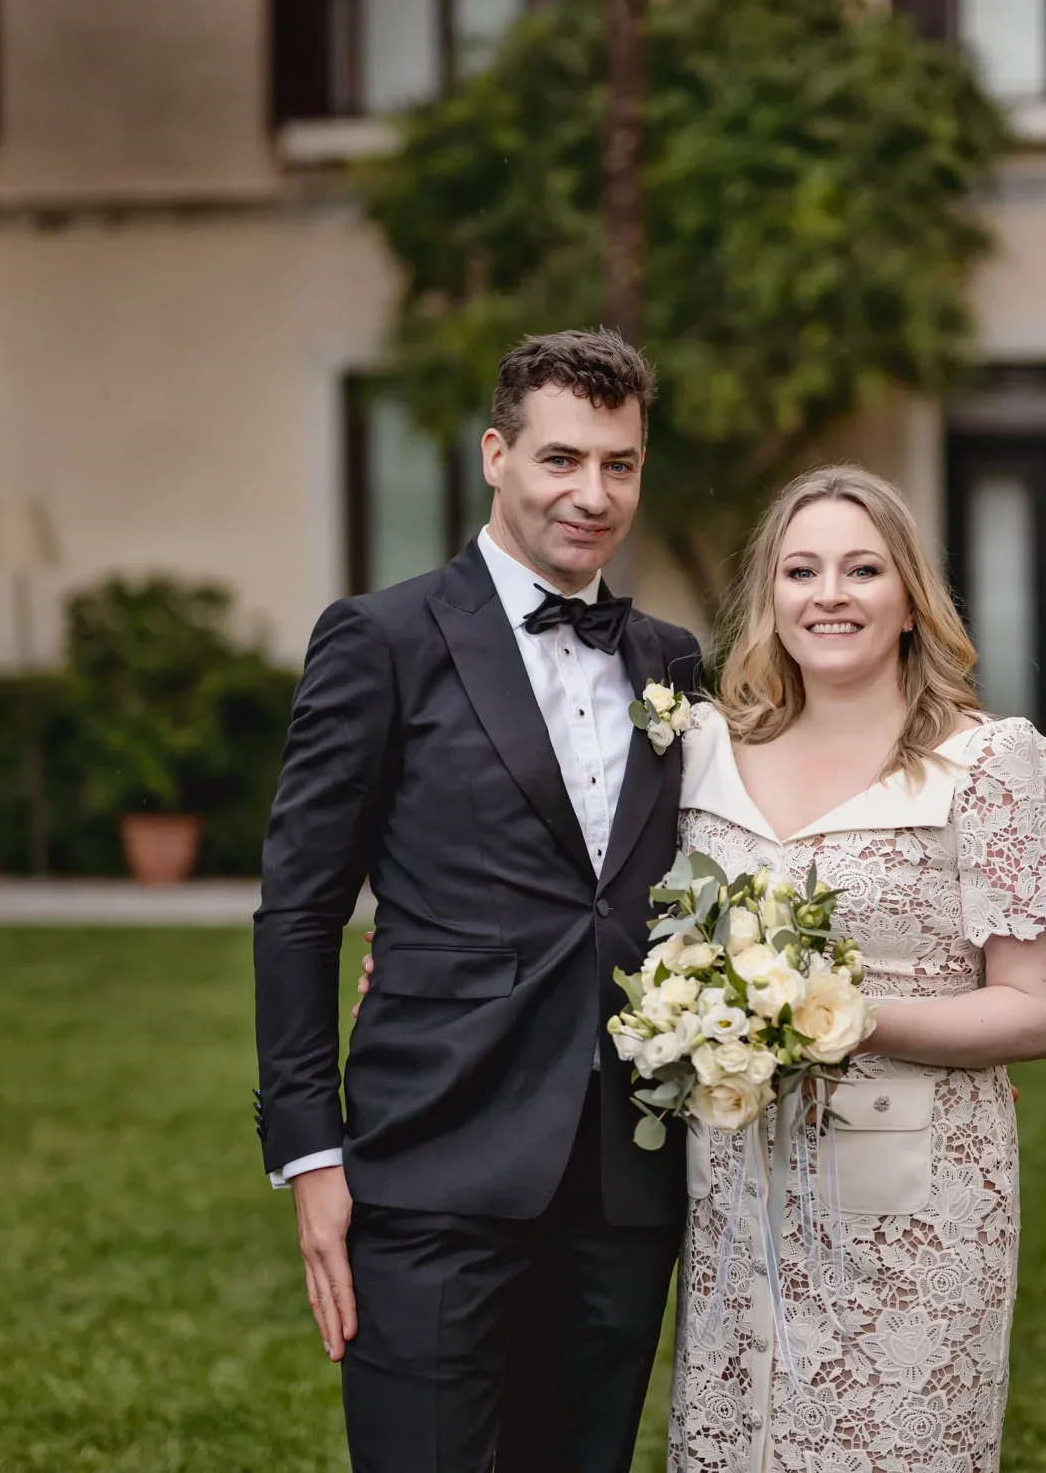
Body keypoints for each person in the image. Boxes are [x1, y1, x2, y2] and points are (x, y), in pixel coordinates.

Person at [251, 329, 701, 1473]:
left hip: (623, 1182)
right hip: (433, 1167)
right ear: (495, 454)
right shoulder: (381, 641)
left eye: (620, 464)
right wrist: (312, 1158)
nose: (592, 494)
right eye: (561, 459)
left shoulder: (672, 662)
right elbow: (300, 913)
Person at [667, 464, 1046, 1472]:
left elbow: (1036, 1011)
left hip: (919, 1204)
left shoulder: (990, 764)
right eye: (801, 570)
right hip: (736, 1187)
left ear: (909, 600)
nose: (830, 594)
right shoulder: (706, 753)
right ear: (770, 595)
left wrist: (834, 1017)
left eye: (862, 569)